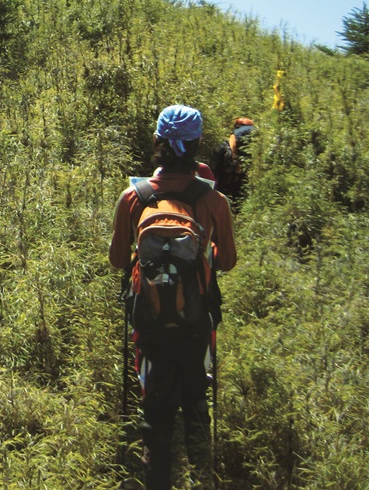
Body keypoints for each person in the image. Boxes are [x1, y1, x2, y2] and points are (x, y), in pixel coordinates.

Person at [110, 105, 237, 489]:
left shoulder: (133, 196)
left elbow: (118, 260)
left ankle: (155, 476)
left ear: (158, 142)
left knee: (156, 413)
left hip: (148, 318)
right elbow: (227, 262)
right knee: (196, 399)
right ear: (197, 144)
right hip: (195, 318)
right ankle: (202, 476)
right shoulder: (213, 200)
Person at [209, 118, 256, 201]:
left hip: (222, 189)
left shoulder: (224, 145)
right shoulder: (255, 144)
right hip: (243, 190)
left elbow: (214, 170)